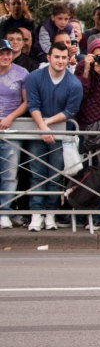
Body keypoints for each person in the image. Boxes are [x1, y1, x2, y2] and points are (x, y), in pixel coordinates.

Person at [25, 43, 82, 230]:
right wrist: (42, 127)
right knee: (37, 173)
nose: (60, 61)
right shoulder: (34, 77)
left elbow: (70, 111)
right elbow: (33, 104)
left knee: (55, 175)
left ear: (68, 59)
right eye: (56, 57)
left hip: (60, 134)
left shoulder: (74, 83)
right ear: (48, 57)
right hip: (38, 132)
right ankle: (36, 213)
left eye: (64, 58)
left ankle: (50, 213)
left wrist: (47, 125)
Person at [0, 40, 29, 229]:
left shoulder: (22, 73)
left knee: (10, 173)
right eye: (2, 53)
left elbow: (26, 102)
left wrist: (10, 118)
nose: (6, 56)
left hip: (12, 127)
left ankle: (5, 211)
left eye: (8, 53)